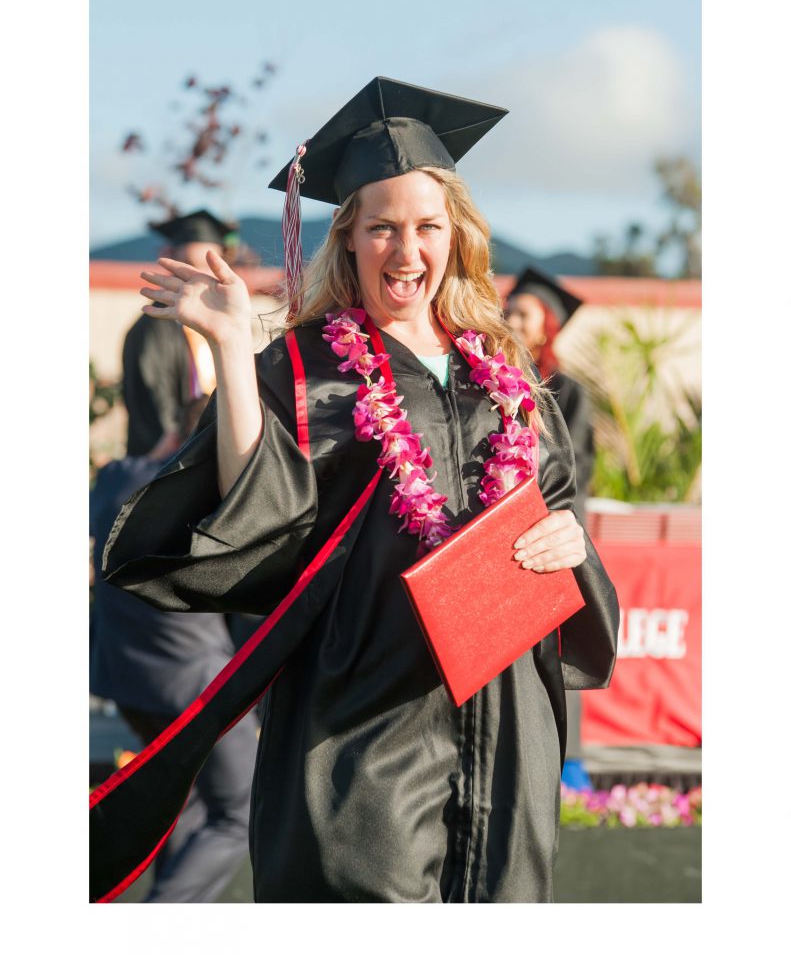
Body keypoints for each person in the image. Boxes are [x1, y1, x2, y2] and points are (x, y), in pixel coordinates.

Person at [92, 76, 619, 904]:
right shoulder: (302, 370)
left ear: (457, 237)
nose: (405, 253)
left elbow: (558, 516)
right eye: (382, 228)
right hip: (361, 729)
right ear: (347, 239)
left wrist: (571, 544)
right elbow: (255, 518)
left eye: (425, 227)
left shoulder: (507, 376)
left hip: (507, 722)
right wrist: (235, 352)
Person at [90, 398, 258, 903]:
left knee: (184, 802)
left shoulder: (116, 477)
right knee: (241, 810)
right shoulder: (210, 499)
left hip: (125, 682)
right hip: (191, 687)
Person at [121, 208, 232, 457]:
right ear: (170, 259)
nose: (202, 277)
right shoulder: (152, 328)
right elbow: (157, 416)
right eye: (191, 265)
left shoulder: (224, 322)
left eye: (211, 265)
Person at [506, 266, 594, 527]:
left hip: (546, 519)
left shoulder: (567, 392)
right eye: (508, 312)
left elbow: (575, 469)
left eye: (523, 315)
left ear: (546, 327)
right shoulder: (490, 381)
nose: (511, 323)